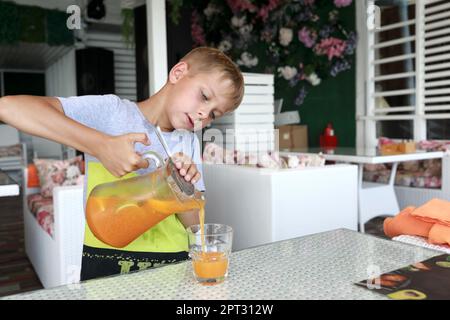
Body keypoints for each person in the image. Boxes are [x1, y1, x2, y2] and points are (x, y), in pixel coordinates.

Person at [0, 47, 244, 280]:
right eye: (204, 97)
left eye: (214, 114)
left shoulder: (188, 141)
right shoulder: (112, 113)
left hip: (174, 266)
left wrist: (183, 191)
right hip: (109, 262)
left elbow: (195, 224)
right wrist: (100, 144)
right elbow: (9, 108)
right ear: (178, 73)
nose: (204, 114)